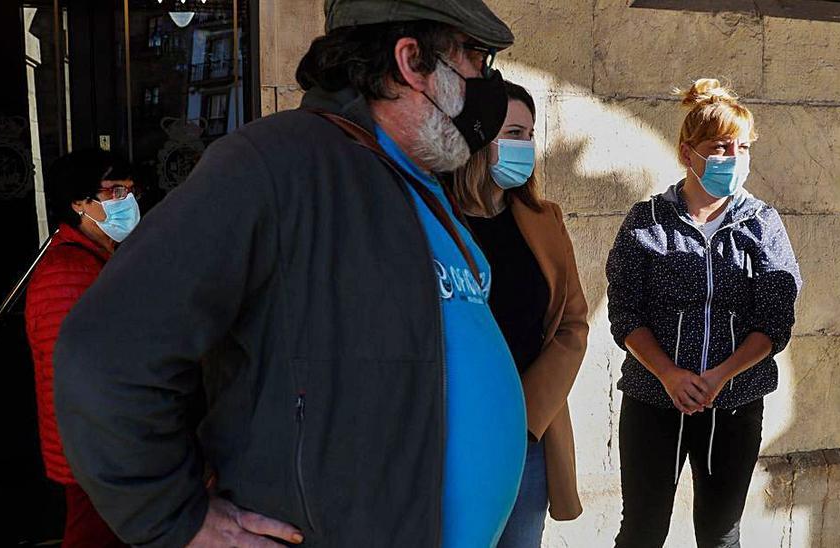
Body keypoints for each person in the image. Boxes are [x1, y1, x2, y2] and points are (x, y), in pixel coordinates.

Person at [51, 1, 528, 547]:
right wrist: (175, 519)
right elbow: (105, 347)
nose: (486, 81)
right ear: (411, 61)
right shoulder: (277, 163)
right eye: (474, 57)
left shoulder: (417, 185)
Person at [605, 78, 802, 548]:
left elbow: (775, 318)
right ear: (687, 153)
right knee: (642, 530)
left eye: (741, 147)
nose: (732, 158)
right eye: (719, 147)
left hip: (733, 402)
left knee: (720, 533)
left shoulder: (761, 223)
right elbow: (625, 312)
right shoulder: (647, 220)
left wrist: (720, 376)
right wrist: (671, 374)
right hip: (654, 398)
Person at [450, 80, 588, 547]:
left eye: (529, 135)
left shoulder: (544, 220)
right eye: (512, 133)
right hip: (454, 433)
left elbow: (572, 325)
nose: (524, 147)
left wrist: (525, 420)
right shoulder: (436, 216)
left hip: (527, 438)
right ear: (477, 136)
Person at [23, 149, 138, 548]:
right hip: (92, 452)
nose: (127, 200)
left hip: (103, 448)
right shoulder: (67, 274)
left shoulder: (98, 261)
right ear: (79, 203)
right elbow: (76, 379)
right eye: (114, 191)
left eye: (129, 189)